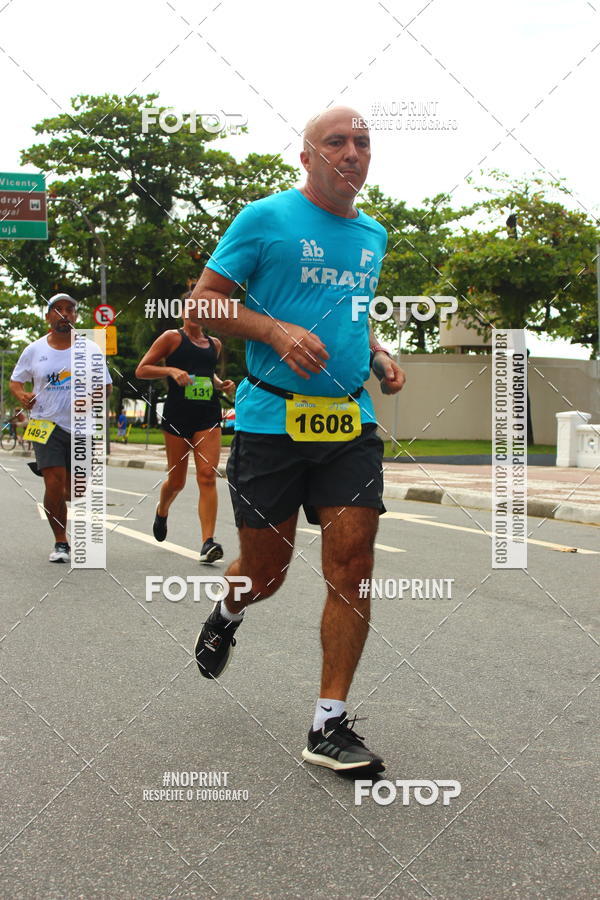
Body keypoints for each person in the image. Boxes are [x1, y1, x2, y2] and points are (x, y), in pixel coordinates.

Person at [190, 106, 406, 772]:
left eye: (362, 142)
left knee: (353, 560)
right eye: (335, 142)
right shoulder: (265, 219)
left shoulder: (374, 233)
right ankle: (231, 608)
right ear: (306, 157)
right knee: (266, 574)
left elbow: (349, 309)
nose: (351, 152)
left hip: (348, 421)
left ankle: (328, 724)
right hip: (270, 422)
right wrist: (274, 331)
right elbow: (202, 304)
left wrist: (374, 352)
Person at [9, 293, 113, 563]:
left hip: (83, 427)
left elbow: (106, 387)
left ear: (76, 316)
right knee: (53, 484)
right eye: (58, 310)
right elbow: (16, 381)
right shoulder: (34, 350)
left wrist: (89, 400)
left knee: (76, 490)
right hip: (45, 423)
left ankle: (56, 478)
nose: (64, 314)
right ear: (48, 317)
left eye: (70, 310)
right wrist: (22, 396)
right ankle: (61, 542)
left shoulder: (90, 349)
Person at [135, 309, 235, 563]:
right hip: (178, 416)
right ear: (181, 313)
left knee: (207, 476)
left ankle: (207, 542)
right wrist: (170, 371)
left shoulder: (215, 344)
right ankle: (162, 509)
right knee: (176, 481)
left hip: (208, 415)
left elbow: (205, 373)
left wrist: (220, 383)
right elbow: (142, 369)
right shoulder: (172, 338)